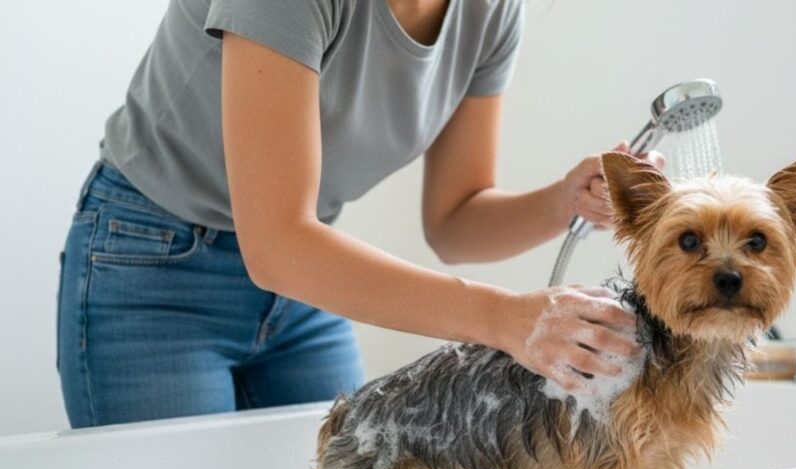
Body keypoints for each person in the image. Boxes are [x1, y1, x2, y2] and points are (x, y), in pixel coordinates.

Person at [57, 0, 656, 428]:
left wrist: (563, 201)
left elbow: (454, 220)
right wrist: (506, 318)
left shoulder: (491, 11)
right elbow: (277, 245)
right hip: (153, 264)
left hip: (300, 287)